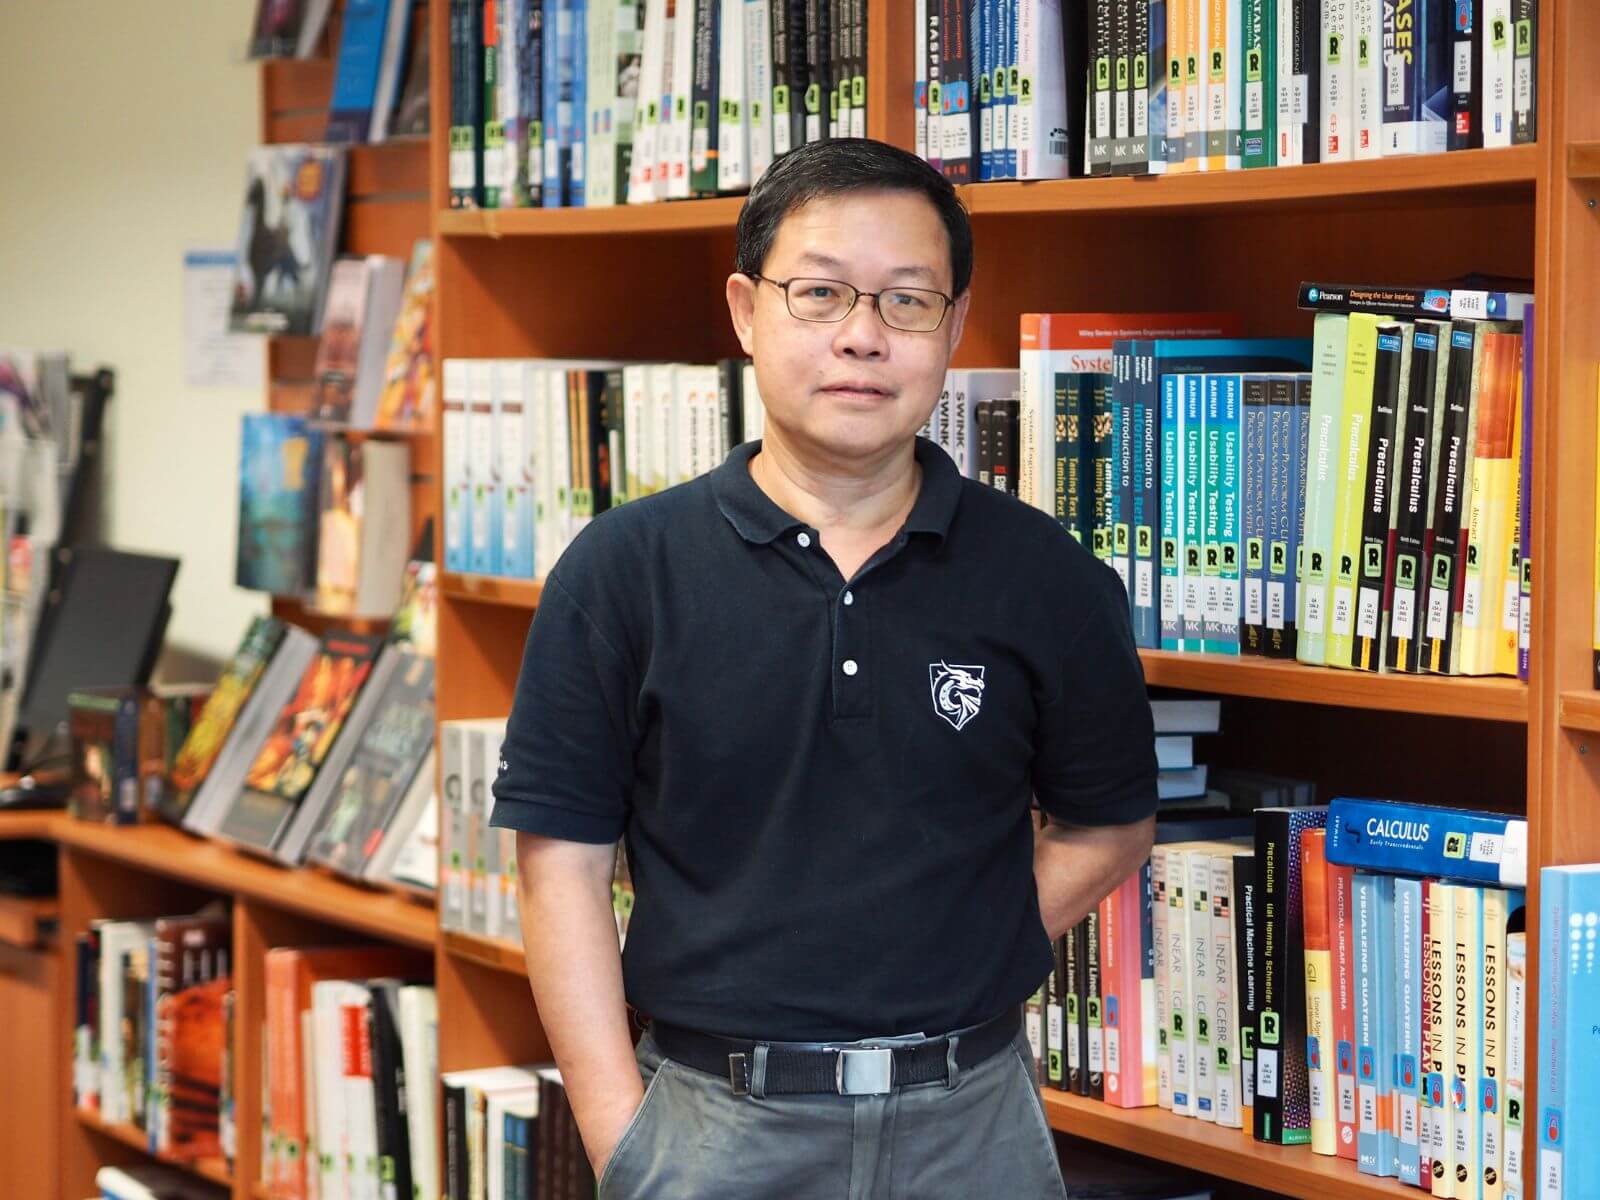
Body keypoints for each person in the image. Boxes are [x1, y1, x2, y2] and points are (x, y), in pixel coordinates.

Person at [491, 137, 1158, 1199]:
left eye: (906, 302)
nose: (861, 337)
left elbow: (1109, 825)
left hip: (973, 1122)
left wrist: (961, 939)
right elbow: (559, 862)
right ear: (747, 312)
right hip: (713, 1121)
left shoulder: (1048, 577)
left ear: (951, 326)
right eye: (820, 294)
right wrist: (622, 1129)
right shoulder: (624, 570)